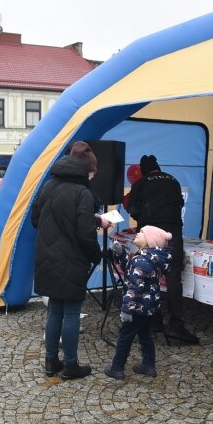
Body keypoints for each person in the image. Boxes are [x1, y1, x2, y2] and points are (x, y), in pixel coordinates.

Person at [32, 141, 104, 380]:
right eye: (92, 172)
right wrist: (97, 255)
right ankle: (71, 365)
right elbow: (85, 234)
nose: (93, 176)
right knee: (72, 312)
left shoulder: (48, 186)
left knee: (55, 310)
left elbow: (36, 220)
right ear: (86, 170)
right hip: (72, 260)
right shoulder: (82, 193)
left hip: (47, 258)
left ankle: (51, 362)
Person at [126, 154, 199, 344]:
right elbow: (180, 204)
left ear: (143, 170)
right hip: (173, 232)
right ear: (157, 167)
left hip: (150, 233)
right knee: (173, 277)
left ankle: (153, 321)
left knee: (151, 276)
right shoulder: (172, 180)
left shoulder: (141, 183)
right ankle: (177, 325)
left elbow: (132, 209)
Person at [104, 225, 172, 380]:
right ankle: (149, 365)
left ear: (149, 241)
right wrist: (121, 254)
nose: (138, 234)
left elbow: (134, 286)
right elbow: (131, 269)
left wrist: (127, 309)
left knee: (125, 335)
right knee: (145, 334)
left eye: (142, 232)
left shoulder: (141, 260)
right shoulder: (148, 257)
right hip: (149, 307)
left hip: (137, 306)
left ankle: (117, 367)